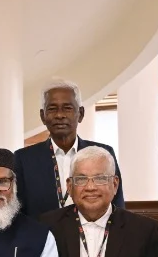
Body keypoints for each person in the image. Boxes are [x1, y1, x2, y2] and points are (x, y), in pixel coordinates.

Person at [15, 80, 124, 216]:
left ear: (81, 114)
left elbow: (117, 204)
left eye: (67, 108)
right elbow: (19, 211)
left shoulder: (103, 154)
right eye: (52, 109)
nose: (59, 115)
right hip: (42, 230)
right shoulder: (24, 159)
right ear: (43, 116)